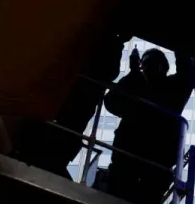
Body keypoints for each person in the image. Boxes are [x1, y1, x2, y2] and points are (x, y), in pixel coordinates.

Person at [15, 31, 126, 178]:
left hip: (74, 94)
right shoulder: (109, 44)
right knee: (70, 124)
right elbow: (111, 73)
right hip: (81, 97)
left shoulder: (98, 38)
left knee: (67, 122)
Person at [104, 47, 195, 204]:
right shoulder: (136, 84)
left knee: (147, 202)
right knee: (117, 197)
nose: (150, 67)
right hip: (127, 158)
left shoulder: (173, 88)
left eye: (155, 63)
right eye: (146, 63)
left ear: (164, 67)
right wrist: (133, 75)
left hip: (157, 162)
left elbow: (187, 73)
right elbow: (111, 101)